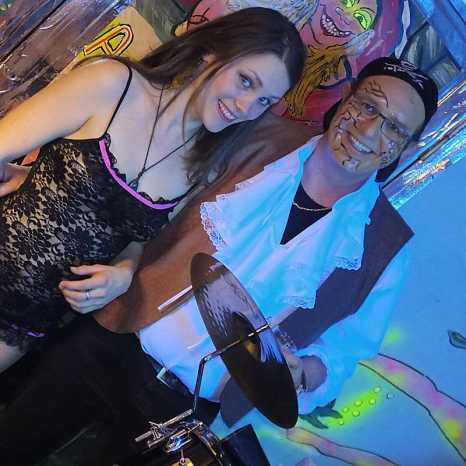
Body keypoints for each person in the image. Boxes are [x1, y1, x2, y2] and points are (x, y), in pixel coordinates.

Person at [0, 57, 438, 465]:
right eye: (368, 105)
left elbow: (346, 348)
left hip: (181, 411)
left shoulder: (387, 244)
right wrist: (51, 182)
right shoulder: (259, 135)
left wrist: (303, 371)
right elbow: (151, 187)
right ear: (346, 97)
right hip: (112, 336)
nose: (369, 129)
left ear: (407, 147)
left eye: (394, 128)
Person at [0, 7, 306, 372]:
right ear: (211, 53)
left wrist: (123, 273)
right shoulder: (112, 84)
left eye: (264, 101)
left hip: (27, 322)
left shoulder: (201, 167)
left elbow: (131, 237)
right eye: (245, 81)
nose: (246, 107)